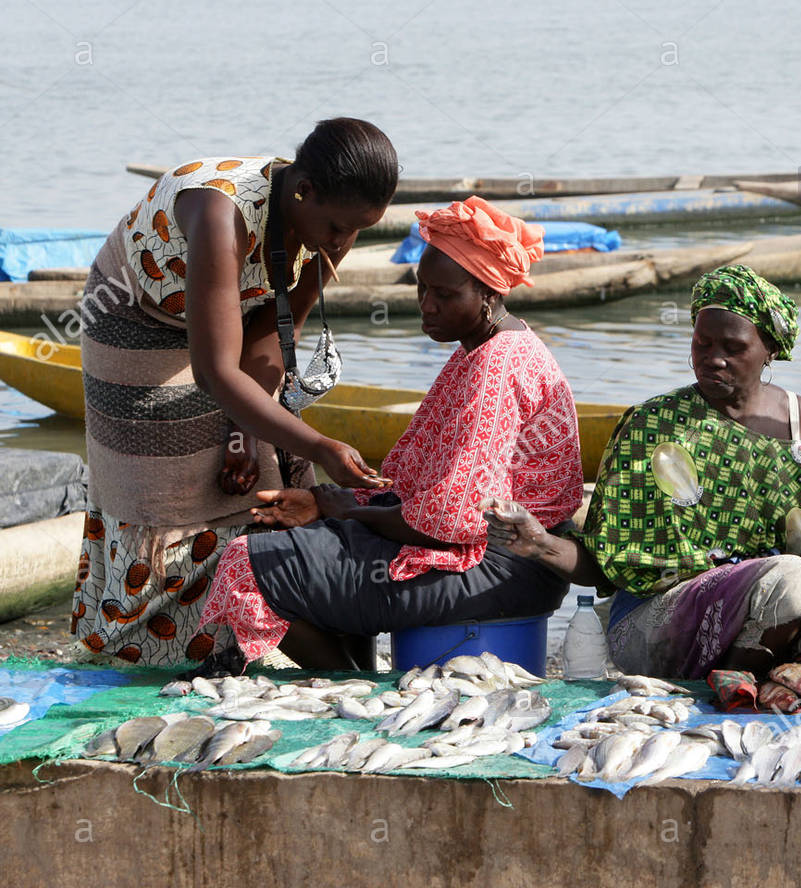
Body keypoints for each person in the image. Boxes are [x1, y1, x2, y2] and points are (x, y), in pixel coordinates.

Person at [195, 197, 583, 670]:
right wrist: (327, 503)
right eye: (422, 288)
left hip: (501, 565)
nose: (426, 305)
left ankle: (347, 685)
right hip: (501, 558)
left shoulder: (496, 366)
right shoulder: (487, 347)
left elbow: (453, 519)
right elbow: (426, 490)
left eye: (443, 294)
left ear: (488, 294)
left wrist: (352, 512)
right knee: (313, 538)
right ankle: (357, 678)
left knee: (250, 565)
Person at [73, 118, 398, 666]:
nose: (343, 243)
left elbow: (275, 325)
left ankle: (247, 634)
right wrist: (321, 445)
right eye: (339, 228)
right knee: (169, 494)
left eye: (358, 230)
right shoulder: (218, 215)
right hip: (138, 317)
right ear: (303, 192)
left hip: (236, 321)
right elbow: (216, 375)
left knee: (261, 489)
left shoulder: (335, 213)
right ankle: (148, 648)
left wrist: (246, 432)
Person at [484, 265, 801, 680]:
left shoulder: (800, 421)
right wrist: (541, 543)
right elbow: (603, 562)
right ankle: (731, 692)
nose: (713, 359)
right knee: (793, 581)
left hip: (777, 606)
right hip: (661, 619)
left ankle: (770, 672)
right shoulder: (653, 425)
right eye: (701, 343)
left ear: (771, 350)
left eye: (733, 347)